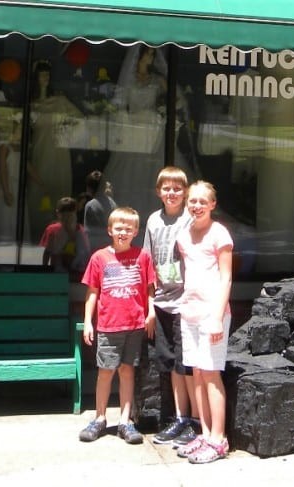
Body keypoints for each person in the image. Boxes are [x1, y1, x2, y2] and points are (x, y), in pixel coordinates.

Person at [79, 207, 157, 445]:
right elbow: (92, 292)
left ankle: (125, 420)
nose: (123, 232)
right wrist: (88, 322)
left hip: (134, 325)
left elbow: (149, 288)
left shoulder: (142, 256)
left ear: (135, 231)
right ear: (110, 230)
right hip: (109, 325)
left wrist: (151, 312)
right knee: (105, 372)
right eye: (118, 228)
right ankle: (100, 417)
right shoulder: (99, 258)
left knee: (127, 371)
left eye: (128, 228)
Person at [101, 44, 194, 230]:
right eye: (148, 55)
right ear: (139, 57)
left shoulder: (157, 80)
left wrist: (163, 111)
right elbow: (119, 104)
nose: (151, 59)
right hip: (133, 132)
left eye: (152, 55)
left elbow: (178, 99)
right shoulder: (129, 81)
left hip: (152, 131)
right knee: (130, 171)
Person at [174, 181, 233, 464]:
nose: (196, 206)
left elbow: (226, 277)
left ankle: (219, 439)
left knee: (211, 374)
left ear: (212, 204)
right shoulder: (184, 235)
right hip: (190, 312)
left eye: (201, 201)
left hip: (212, 313)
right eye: (192, 201)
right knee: (196, 372)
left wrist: (218, 317)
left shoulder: (219, 234)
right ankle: (205, 433)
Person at [144, 166, 199, 446]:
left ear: (185, 191)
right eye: (167, 188)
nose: (172, 193)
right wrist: (150, 305)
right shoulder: (153, 221)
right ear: (158, 192)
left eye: (177, 188)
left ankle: (195, 422)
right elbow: (148, 264)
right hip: (163, 301)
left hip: (186, 302)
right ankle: (180, 418)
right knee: (170, 365)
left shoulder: (191, 219)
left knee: (186, 364)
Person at [27, 59, 82, 242]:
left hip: (59, 152)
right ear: (36, 77)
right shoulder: (32, 104)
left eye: (47, 74)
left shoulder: (59, 100)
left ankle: (60, 234)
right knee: (38, 189)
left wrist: (66, 131)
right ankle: (37, 234)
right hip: (40, 151)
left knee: (59, 189)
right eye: (42, 74)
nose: (45, 78)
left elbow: (80, 118)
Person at [0, 118, 22, 243]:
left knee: (13, 217)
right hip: (5, 185)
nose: (21, 133)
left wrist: (41, 183)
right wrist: (6, 191)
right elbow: (3, 169)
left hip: (16, 184)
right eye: (19, 130)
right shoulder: (4, 146)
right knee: (4, 216)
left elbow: (28, 167)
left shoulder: (20, 148)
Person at [39, 196, 90, 277]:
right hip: (58, 273)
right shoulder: (52, 230)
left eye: (70, 215)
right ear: (58, 214)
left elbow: (85, 254)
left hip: (76, 273)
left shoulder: (81, 231)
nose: (67, 219)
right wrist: (44, 271)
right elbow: (48, 252)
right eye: (64, 216)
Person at [83, 170, 117, 252]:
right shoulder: (112, 202)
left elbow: (87, 230)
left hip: (95, 245)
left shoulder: (90, 205)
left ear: (89, 188)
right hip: (110, 242)